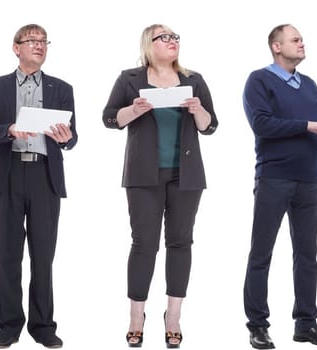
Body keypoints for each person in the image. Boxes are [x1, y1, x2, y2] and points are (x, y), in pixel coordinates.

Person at [241, 24, 317, 349]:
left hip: (309, 180)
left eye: (301, 39)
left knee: (307, 255)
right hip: (273, 178)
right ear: (277, 47)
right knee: (261, 254)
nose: (301, 43)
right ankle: (258, 325)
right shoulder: (259, 80)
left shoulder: (309, 84)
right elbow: (261, 124)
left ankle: (306, 323)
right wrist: (306, 125)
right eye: (295, 40)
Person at [103, 24, 217, 349]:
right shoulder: (130, 79)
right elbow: (110, 118)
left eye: (175, 37)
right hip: (143, 175)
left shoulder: (194, 79)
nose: (172, 42)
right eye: (165, 37)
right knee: (143, 244)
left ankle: (174, 317)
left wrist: (198, 111)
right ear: (148, 44)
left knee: (180, 243)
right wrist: (133, 109)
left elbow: (210, 126)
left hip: (187, 174)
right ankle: (136, 317)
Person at [0, 23, 76, 349]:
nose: (39, 45)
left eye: (43, 41)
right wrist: (9, 129)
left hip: (44, 177)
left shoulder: (62, 88)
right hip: (7, 174)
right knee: (7, 255)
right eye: (31, 41)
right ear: (16, 47)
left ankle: (43, 326)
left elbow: (73, 137)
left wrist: (66, 138)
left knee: (43, 256)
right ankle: (8, 326)